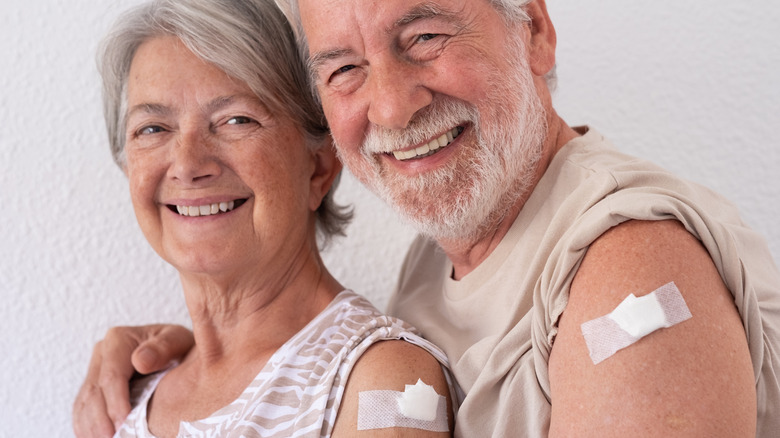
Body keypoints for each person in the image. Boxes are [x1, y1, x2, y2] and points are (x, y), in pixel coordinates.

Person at [76, 0, 780, 436]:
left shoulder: (633, 269)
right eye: (344, 68)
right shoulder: (438, 262)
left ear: (533, 29)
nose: (391, 107)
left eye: (423, 38)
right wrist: (209, 361)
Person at [73, 0, 457, 436]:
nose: (187, 163)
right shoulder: (129, 392)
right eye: (153, 129)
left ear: (318, 168)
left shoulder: (386, 378)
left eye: (237, 120)